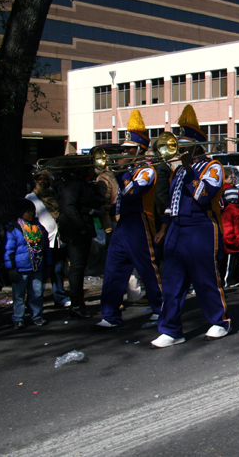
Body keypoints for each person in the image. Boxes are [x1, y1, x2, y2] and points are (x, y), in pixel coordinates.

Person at [151, 104, 231, 347]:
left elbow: (203, 196)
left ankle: (219, 321)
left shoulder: (213, 167)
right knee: (172, 282)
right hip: (176, 228)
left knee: (205, 278)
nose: (181, 150)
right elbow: (171, 204)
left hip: (201, 227)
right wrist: (164, 227)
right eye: (179, 145)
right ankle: (171, 330)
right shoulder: (177, 172)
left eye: (185, 146)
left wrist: (187, 168)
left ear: (197, 146)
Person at [96, 111, 164, 329]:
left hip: (140, 223)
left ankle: (161, 310)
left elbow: (132, 192)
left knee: (147, 269)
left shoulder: (147, 170)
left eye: (128, 149)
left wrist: (120, 171)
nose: (123, 152)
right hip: (124, 223)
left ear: (140, 150)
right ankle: (110, 314)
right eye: (124, 149)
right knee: (114, 269)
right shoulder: (127, 170)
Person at [56, 164, 104, 318]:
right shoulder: (71, 185)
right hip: (76, 230)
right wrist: (81, 227)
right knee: (77, 267)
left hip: (79, 227)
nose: (91, 170)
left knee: (79, 267)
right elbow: (69, 207)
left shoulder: (78, 184)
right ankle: (76, 304)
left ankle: (78, 303)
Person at [4, 199, 51, 328]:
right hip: (20, 268)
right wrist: (10, 269)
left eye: (33, 211)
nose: (31, 214)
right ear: (20, 213)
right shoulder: (14, 229)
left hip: (37, 266)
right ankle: (18, 318)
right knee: (19, 295)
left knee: (36, 293)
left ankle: (36, 316)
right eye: (27, 211)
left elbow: (46, 248)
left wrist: (48, 265)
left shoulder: (39, 228)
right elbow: (8, 250)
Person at [26, 170, 70, 307]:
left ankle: (60, 297)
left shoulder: (55, 195)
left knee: (57, 270)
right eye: (40, 179)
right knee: (42, 272)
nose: (42, 182)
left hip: (57, 238)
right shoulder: (31, 197)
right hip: (41, 240)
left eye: (45, 179)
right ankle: (35, 300)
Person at [220, 181, 239, 288]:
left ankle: (237, 277)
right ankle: (229, 279)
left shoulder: (238, 209)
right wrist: (231, 240)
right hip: (232, 243)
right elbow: (227, 228)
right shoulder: (229, 211)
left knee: (237, 262)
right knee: (230, 263)